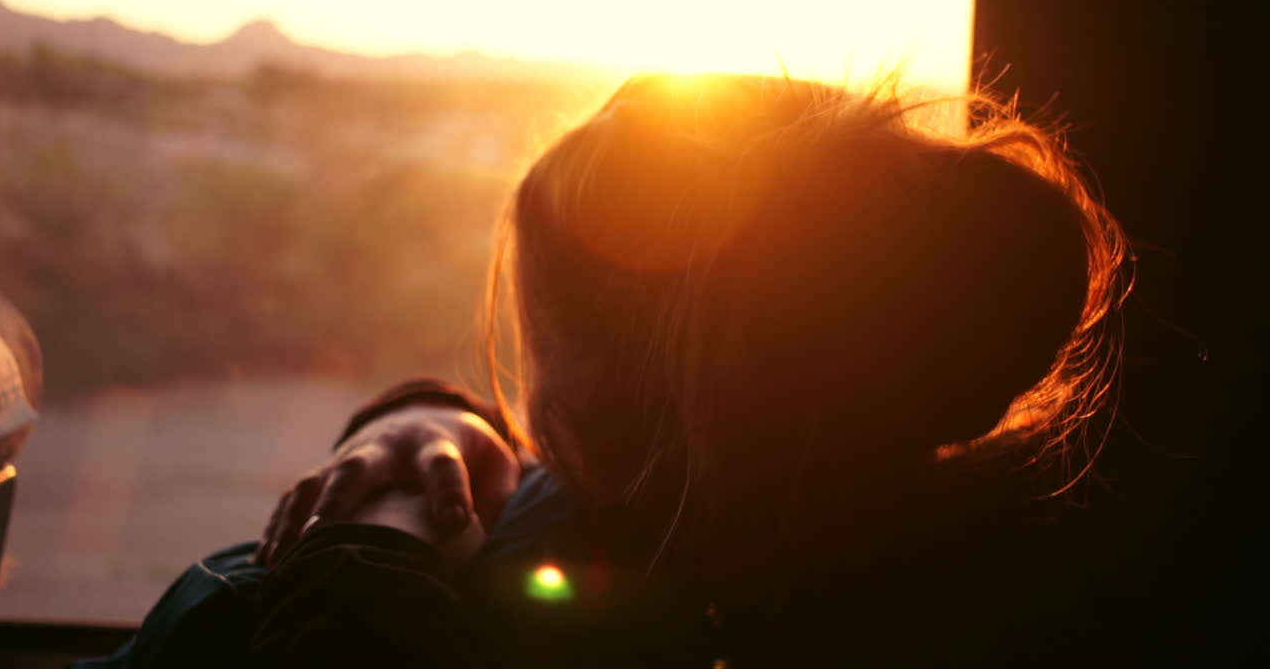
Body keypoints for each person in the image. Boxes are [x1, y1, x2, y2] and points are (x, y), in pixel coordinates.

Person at [76, 72, 1129, 667]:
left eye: (545, 346)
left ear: (626, 403)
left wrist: (371, 541)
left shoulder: (482, 619)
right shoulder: (857, 531)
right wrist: (427, 421)